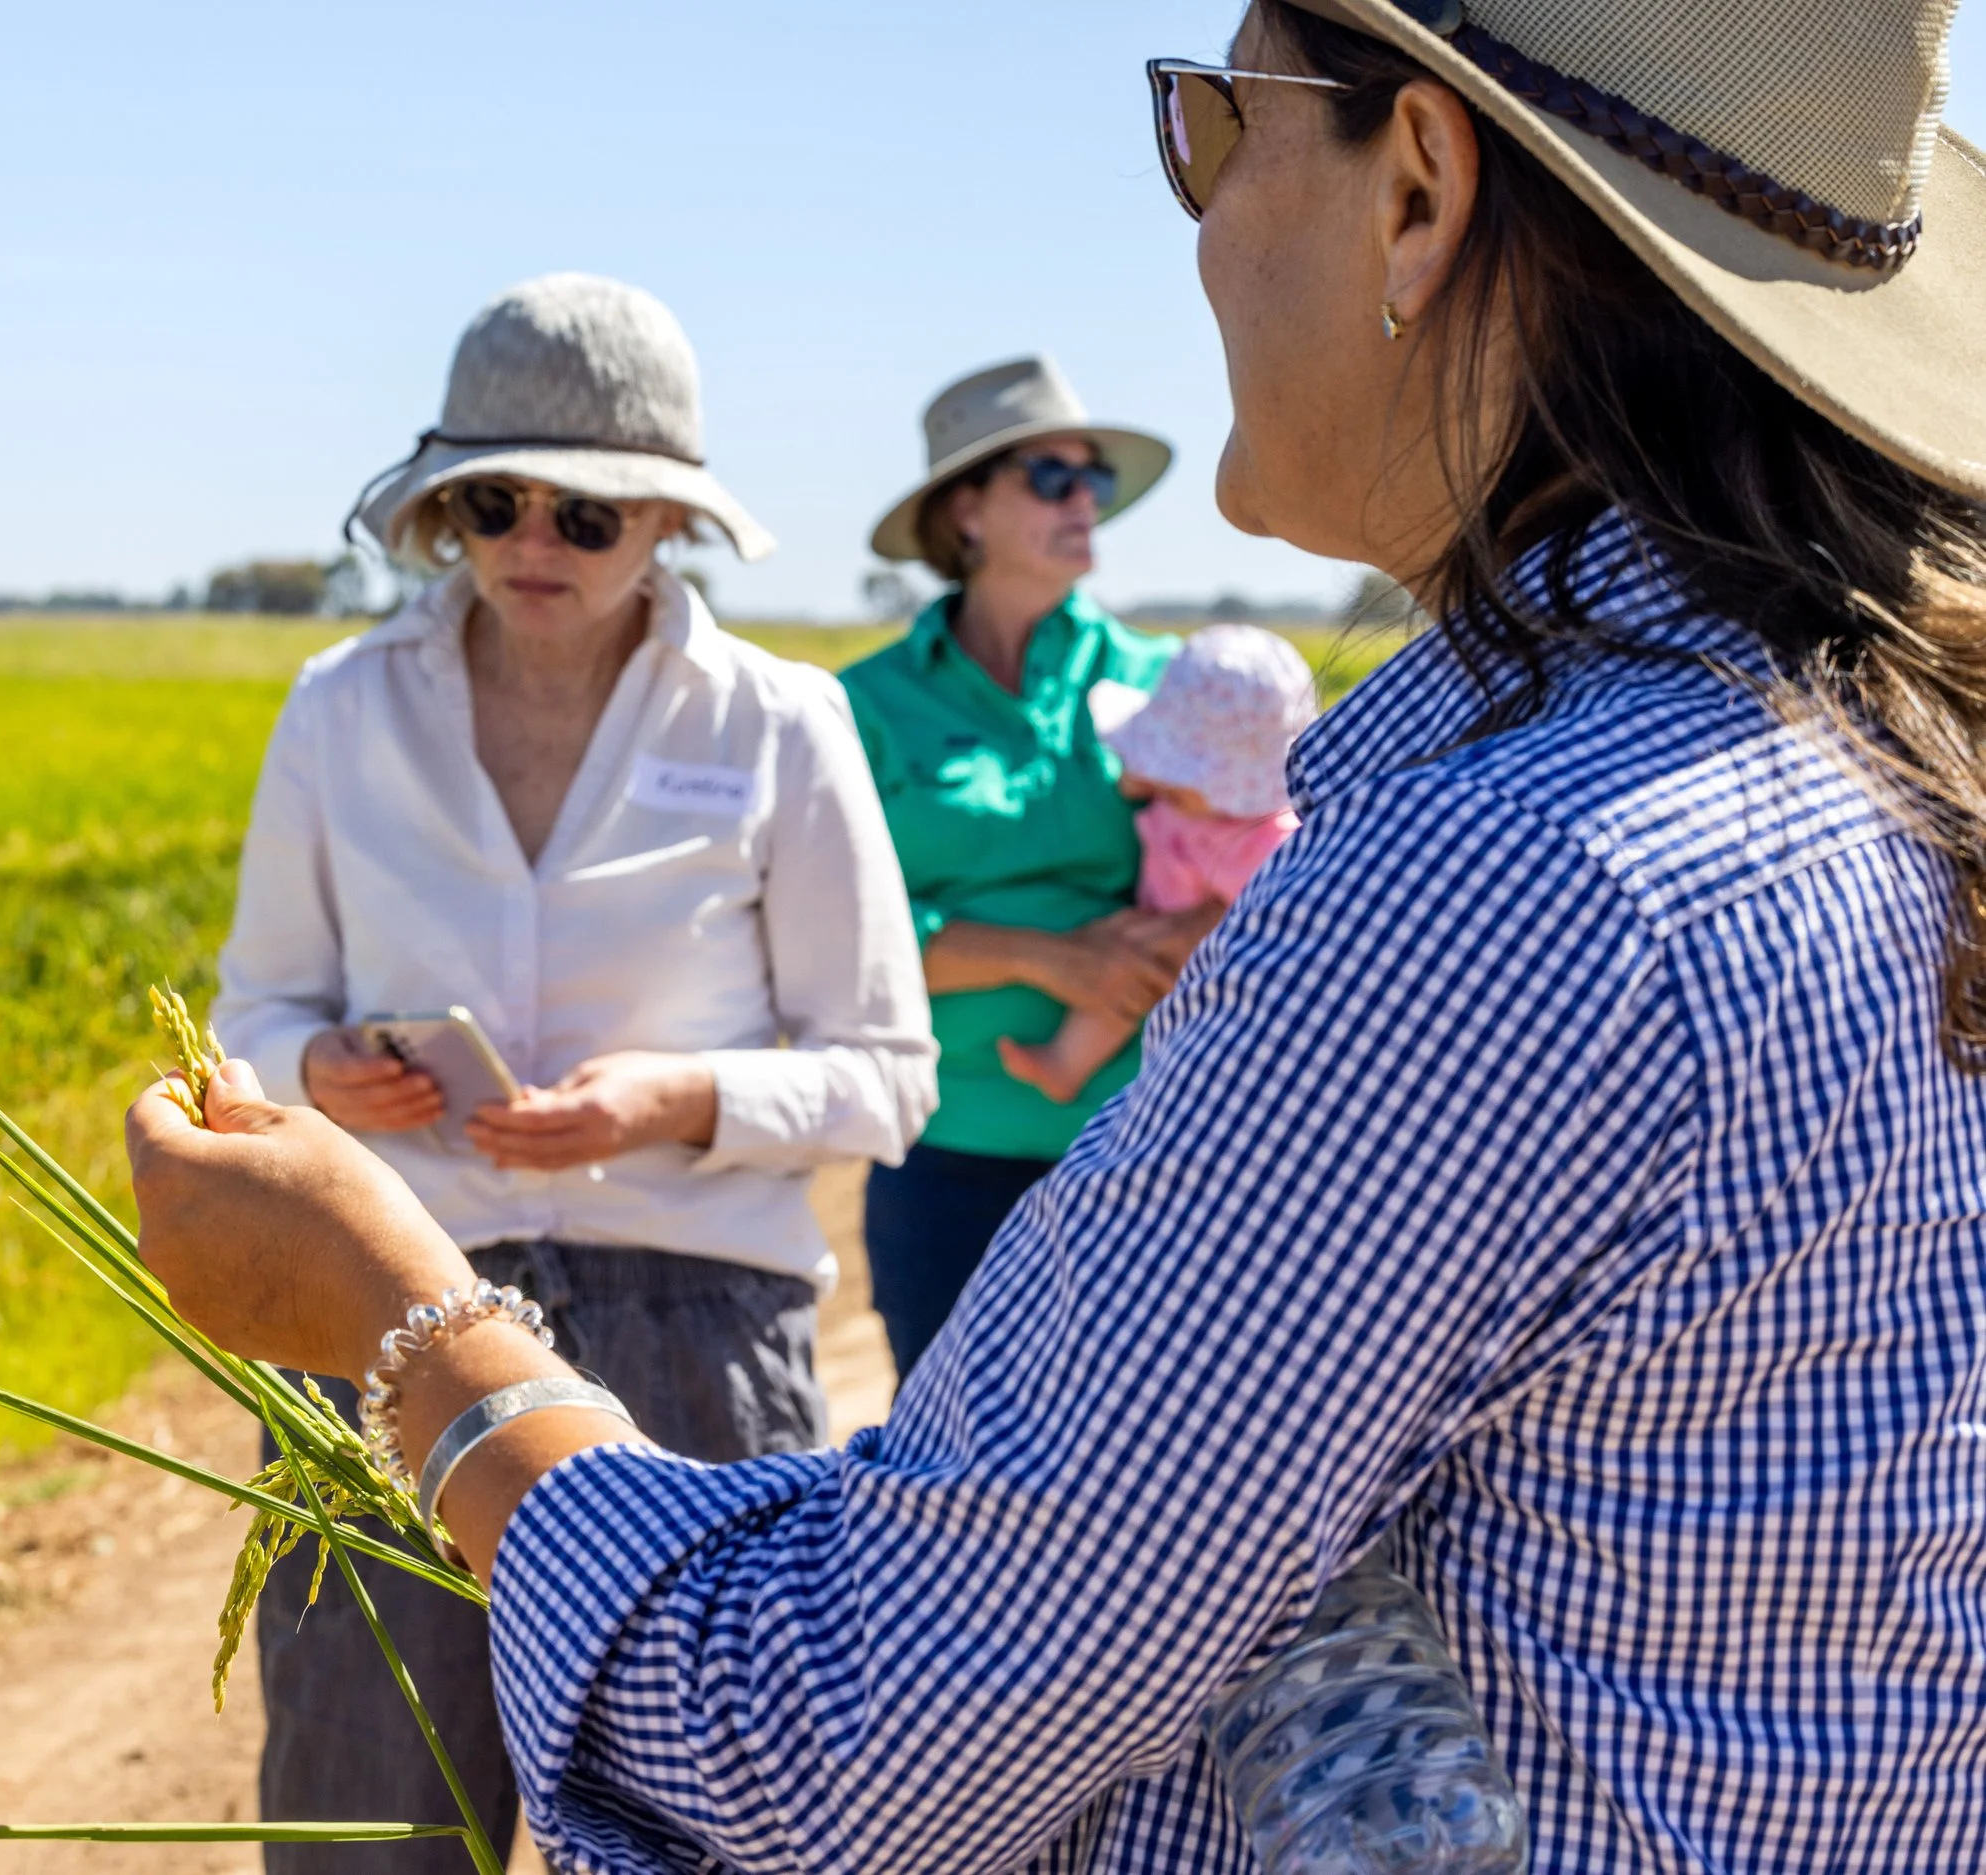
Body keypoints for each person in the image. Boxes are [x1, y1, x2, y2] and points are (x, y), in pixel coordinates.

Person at [130, 1, 1986, 1868]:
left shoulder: (1513, 881)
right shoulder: (1875, 777)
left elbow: (821, 1744)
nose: (1195, 222)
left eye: (1210, 126)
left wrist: (404, 1313)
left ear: (1417, 189)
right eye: (491, 504)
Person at [207, 271, 937, 1871]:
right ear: (441, 512)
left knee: (725, 1833)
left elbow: (887, 1073)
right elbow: (247, 1019)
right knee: (366, 1831)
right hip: (390, 1315)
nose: (535, 538)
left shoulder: (781, 723)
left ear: (667, 520)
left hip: (695, 1344)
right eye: (491, 500)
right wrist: (317, 1063)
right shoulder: (340, 712)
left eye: (587, 511)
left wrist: (670, 1099)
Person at [840, 356, 1209, 1374]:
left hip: (1148, 1145)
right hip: (942, 1154)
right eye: (1051, 476)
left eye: (1091, 477)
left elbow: (1247, 868)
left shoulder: (1166, 681)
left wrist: (1175, 937)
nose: (1084, 498)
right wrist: (1044, 959)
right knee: (942, 1473)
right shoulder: (860, 707)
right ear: (965, 511)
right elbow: (829, 941)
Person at [999, 625, 1317, 1104]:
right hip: (1158, 925)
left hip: (1217, 962)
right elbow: (1135, 773)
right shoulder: (1174, 802)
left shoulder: (1272, 836)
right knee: (1121, 978)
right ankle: (1065, 1064)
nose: (1165, 782)